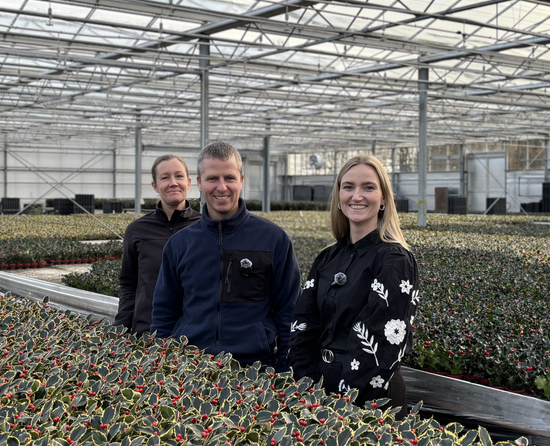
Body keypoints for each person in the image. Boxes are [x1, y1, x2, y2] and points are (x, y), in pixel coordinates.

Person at [151, 141, 301, 372]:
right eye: (212, 179)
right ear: (199, 183)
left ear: (241, 180)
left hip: (254, 370)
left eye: (229, 178)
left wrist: (283, 368)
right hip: (190, 369)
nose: (221, 187)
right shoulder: (180, 244)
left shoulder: (274, 240)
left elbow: (288, 311)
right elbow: (164, 312)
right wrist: (163, 364)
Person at [287, 155, 419, 418]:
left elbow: (381, 343)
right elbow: (303, 327)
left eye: (368, 187)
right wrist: (307, 390)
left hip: (369, 405)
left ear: (384, 199)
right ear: (338, 196)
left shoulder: (394, 260)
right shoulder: (328, 258)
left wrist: (342, 405)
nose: (357, 196)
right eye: (348, 187)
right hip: (319, 396)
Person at [115, 155, 201, 336]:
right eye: (165, 177)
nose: (173, 183)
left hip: (194, 335)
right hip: (147, 332)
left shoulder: (204, 227)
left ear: (189, 182)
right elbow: (129, 283)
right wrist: (121, 328)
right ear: (155, 186)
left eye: (179, 176)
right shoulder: (137, 230)